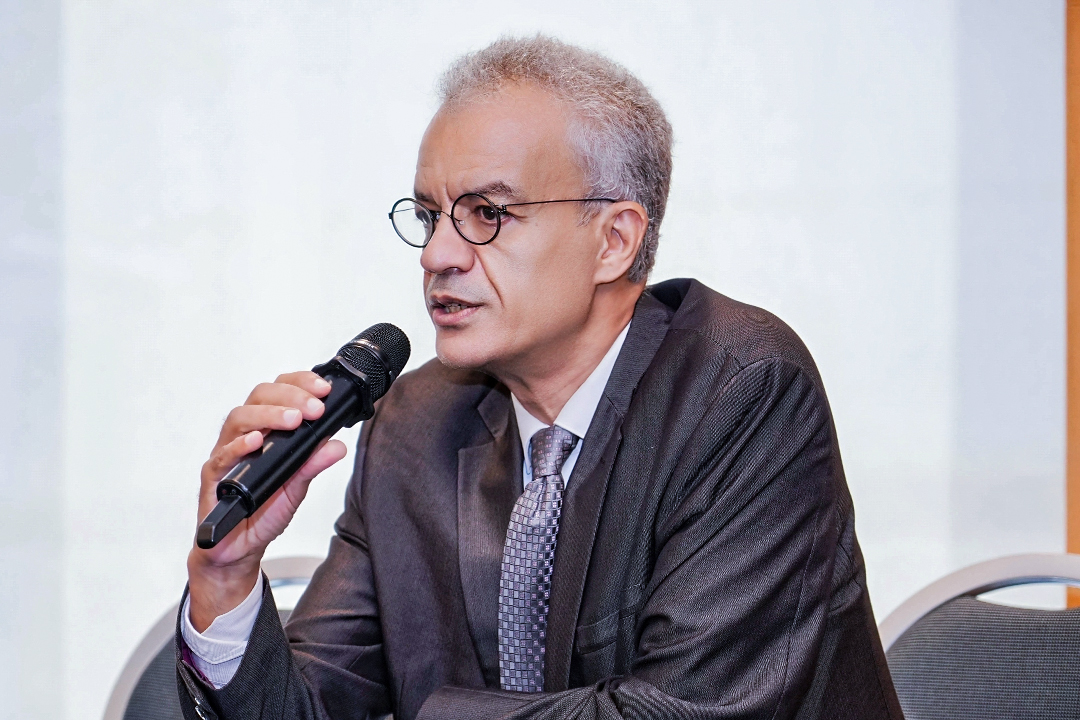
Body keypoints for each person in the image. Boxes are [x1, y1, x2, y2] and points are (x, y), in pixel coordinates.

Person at [176, 35, 903, 720]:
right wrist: (225, 579)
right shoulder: (413, 424)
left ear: (614, 240)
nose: (436, 256)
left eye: (488, 214)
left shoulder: (741, 391)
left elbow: (679, 711)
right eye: (429, 217)